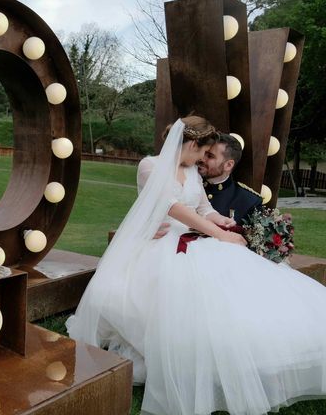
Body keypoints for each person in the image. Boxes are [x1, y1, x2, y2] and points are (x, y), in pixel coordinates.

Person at [66, 116, 326, 415]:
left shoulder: (190, 171)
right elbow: (173, 208)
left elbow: (202, 208)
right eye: (203, 151)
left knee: (234, 287)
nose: (204, 158)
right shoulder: (150, 166)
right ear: (191, 144)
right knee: (175, 298)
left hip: (194, 237)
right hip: (161, 241)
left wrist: (222, 221)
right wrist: (220, 235)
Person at [198, 133, 262, 225]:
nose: (201, 159)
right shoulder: (186, 182)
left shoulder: (249, 201)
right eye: (203, 152)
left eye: (210, 156)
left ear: (228, 165)